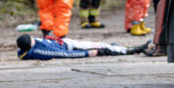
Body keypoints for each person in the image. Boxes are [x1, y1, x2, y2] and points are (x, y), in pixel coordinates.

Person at [16, 33, 148, 60]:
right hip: (70, 48)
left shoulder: (26, 46)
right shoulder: (39, 51)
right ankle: (131, 50)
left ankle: (116, 49)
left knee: (101, 45)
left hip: (66, 43)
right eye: (32, 39)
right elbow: (63, 55)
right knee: (101, 48)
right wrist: (87, 54)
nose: (34, 38)